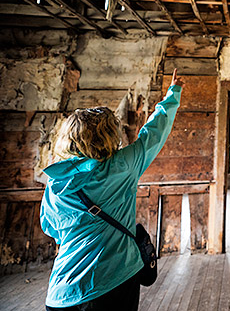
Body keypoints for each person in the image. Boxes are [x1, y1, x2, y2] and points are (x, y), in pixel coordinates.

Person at [41, 69, 184, 310]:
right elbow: (155, 132)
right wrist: (174, 92)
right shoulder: (123, 166)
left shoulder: (56, 181)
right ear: (109, 136)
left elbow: (50, 228)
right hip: (114, 282)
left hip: (62, 293)